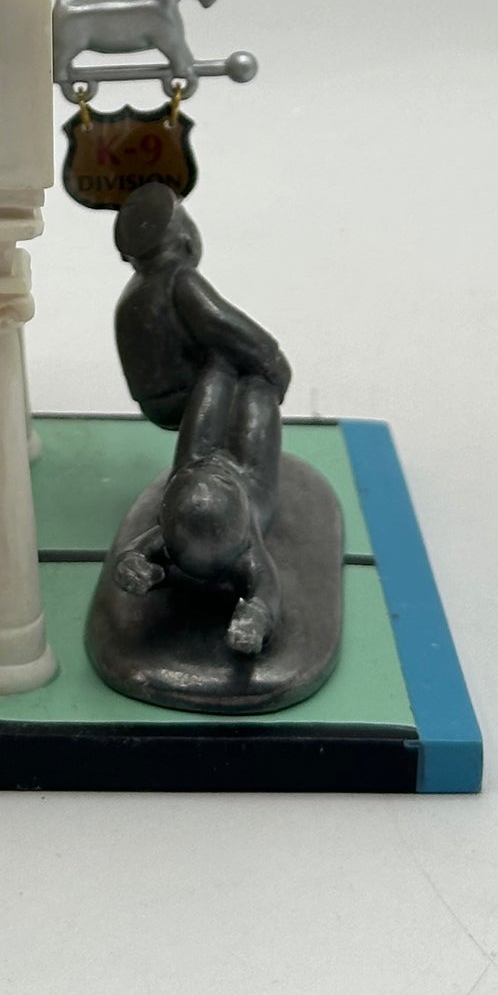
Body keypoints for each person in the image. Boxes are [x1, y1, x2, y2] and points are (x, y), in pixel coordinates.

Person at [108, 182, 292, 656]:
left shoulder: (135, 293)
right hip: (191, 400)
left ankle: (233, 388)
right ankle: (250, 386)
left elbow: (141, 550)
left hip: (168, 406)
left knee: (225, 366)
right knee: (244, 373)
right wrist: (274, 365)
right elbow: (228, 327)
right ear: (184, 238)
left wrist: (133, 563)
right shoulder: (180, 279)